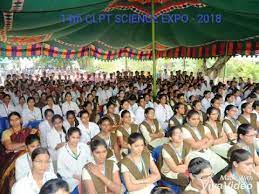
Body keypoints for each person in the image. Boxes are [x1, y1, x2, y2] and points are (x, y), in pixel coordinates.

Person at [0, 112, 38, 194]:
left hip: (30, 156)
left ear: (20, 119)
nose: (14, 122)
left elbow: (35, 145)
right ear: (9, 122)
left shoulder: (29, 130)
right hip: (11, 159)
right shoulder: (6, 133)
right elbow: (9, 147)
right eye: (11, 120)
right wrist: (26, 143)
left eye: (16, 119)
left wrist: (17, 147)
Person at [181, 110, 228, 175]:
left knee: (221, 164)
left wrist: (204, 146)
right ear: (187, 119)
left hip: (205, 149)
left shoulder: (203, 127)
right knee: (207, 166)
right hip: (192, 152)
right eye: (193, 119)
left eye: (198, 119)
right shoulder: (184, 130)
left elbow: (211, 140)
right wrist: (205, 139)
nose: (196, 121)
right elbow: (194, 145)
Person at [57, 127, 92, 194]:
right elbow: (60, 169)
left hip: (85, 176)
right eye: (73, 137)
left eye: (78, 138)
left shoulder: (84, 147)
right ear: (68, 137)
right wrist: (74, 175)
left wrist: (86, 173)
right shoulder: (61, 151)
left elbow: (90, 161)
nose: (76, 140)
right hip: (71, 179)